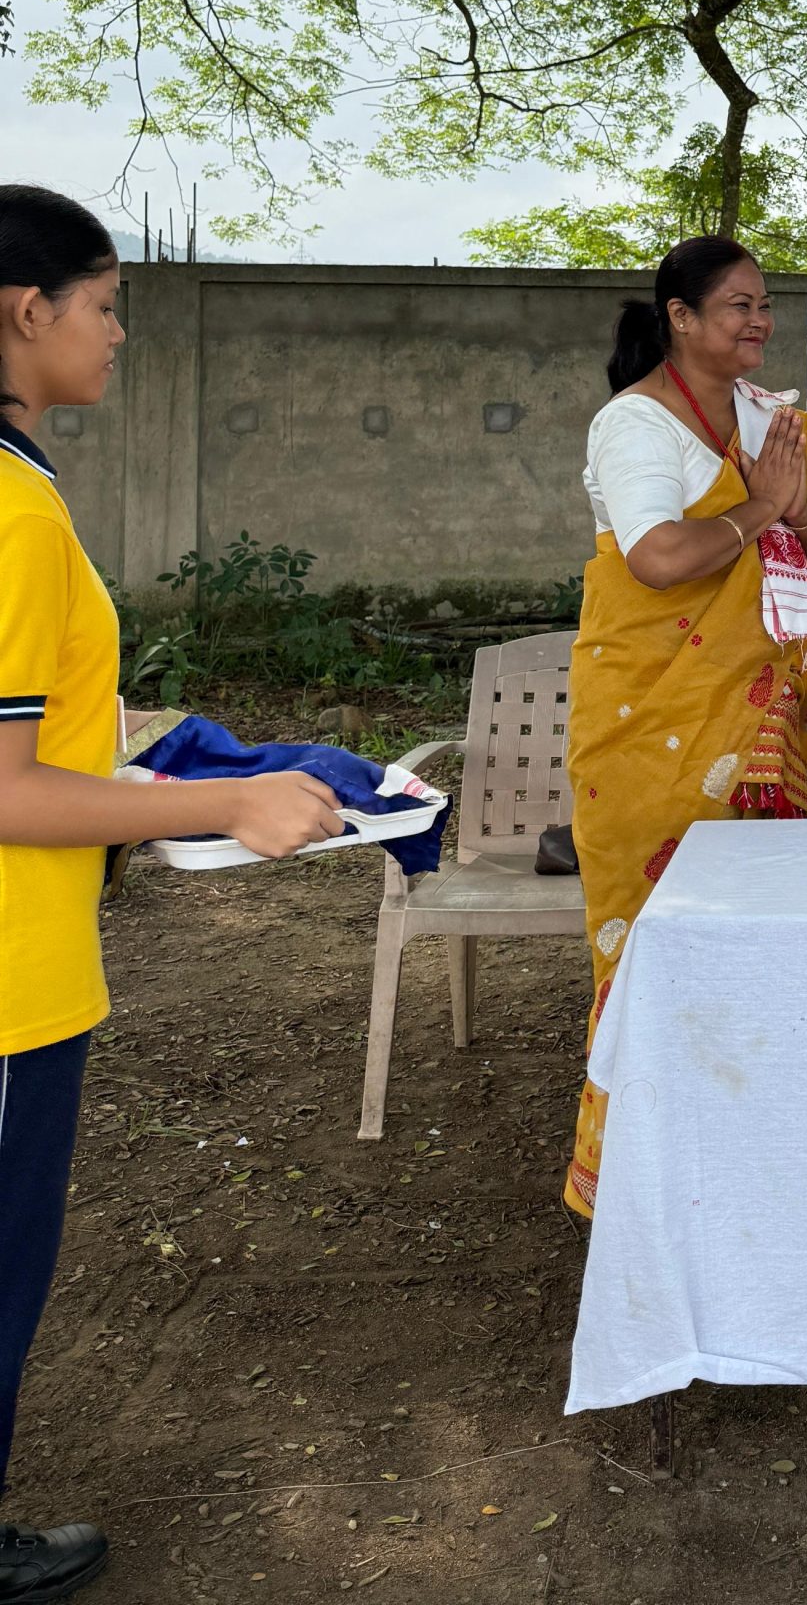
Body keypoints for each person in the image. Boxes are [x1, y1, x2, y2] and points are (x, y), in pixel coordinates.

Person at [0, 186, 341, 1602]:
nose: (120, 332)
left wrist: (149, 752)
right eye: (105, 303)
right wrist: (221, 803)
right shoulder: (12, 510)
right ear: (26, 311)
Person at [564, 235, 807, 1214]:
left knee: (758, 936)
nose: (759, 321)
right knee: (655, 942)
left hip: (755, 725)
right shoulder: (635, 424)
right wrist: (759, 509)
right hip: (650, 721)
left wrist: (794, 511)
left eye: (764, 304)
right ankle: (638, 1176)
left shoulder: (767, 418)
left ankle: (749, 1152)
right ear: (681, 317)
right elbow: (659, 558)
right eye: (738, 304)